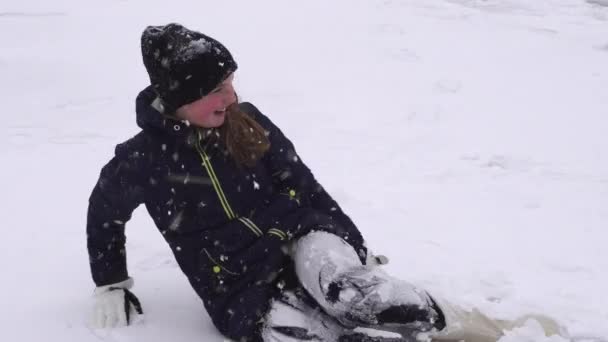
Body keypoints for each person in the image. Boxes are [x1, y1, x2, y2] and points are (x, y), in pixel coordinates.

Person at [87, 23, 567, 342]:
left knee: (354, 295)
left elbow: (304, 183)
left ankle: (483, 326)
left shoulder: (247, 120)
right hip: (236, 285)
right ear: (178, 98)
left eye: (232, 81)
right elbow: (103, 212)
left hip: (302, 235)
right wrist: (110, 281)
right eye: (216, 89)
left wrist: (349, 243)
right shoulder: (141, 162)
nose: (231, 96)